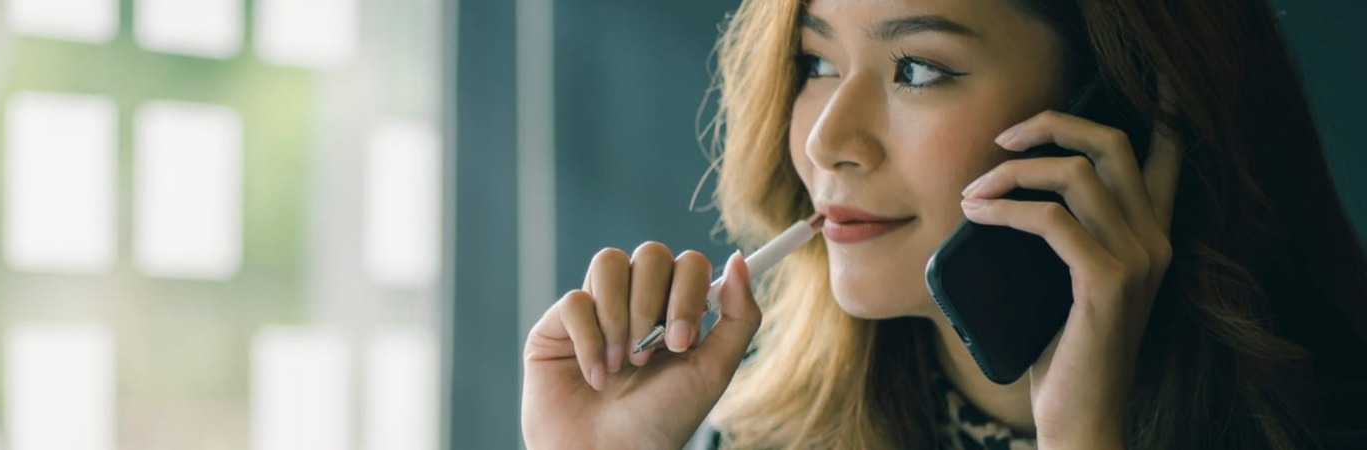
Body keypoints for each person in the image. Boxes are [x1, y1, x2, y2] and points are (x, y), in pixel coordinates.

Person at [520, 0, 1367, 448]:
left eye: (917, 68)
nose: (825, 139)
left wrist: (1080, 441)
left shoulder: (1325, 420)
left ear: (1116, 110)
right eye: (815, 61)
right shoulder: (756, 438)